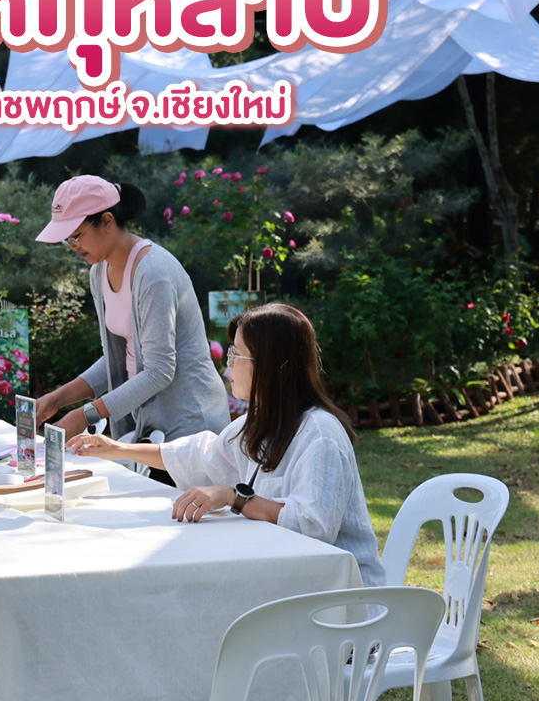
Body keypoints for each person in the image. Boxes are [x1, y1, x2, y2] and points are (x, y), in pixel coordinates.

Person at [68, 302, 385, 587]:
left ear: (269, 364)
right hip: (287, 583)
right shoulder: (260, 423)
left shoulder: (320, 434)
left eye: (236, 355)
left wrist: (236, 497)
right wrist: (117, 449)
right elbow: (198, 456)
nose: (227, 367)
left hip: (343, 604)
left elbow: (313, 526)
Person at [34, 175, 230, 480]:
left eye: (77, 236)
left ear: (107, 221)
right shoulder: (99, 271)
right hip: (152, 430)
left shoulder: (153, 273)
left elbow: (159, 370)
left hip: (190, 426)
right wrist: (58, 399)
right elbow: (115, 361)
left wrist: (86, 414)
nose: (73, 246)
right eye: (67, 239)